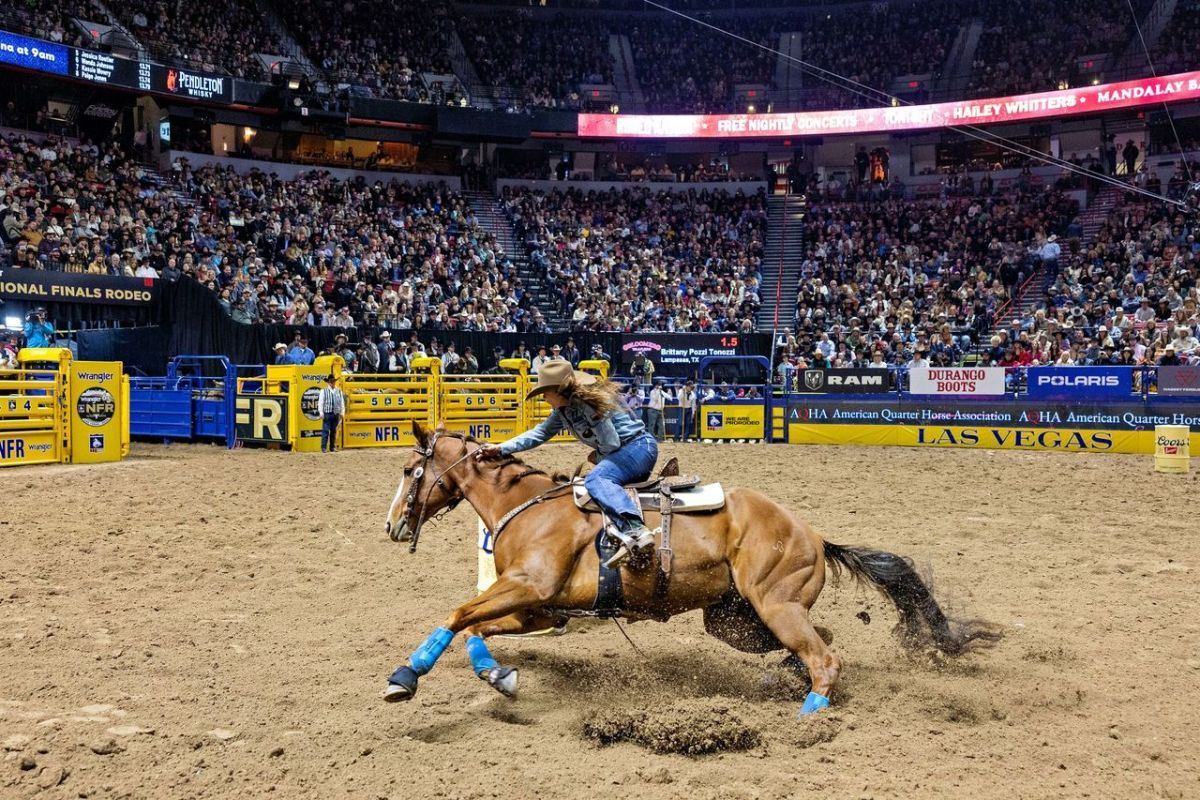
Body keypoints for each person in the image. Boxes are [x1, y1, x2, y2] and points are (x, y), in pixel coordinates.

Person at [476, 361, 658, 567]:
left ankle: (636, 529)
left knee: (597, 479)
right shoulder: (563, 411)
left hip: (637, 448)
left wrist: (599, 457)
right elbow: (539, 433)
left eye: (545, 393)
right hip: (630, 450)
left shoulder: (586, 406)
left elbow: (611, 442)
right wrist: (501, 448)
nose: (544, 398)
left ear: (557, 390)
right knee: (591, 485)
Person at [317, 374, 345, 453]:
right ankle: (324, 447)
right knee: (325, 431)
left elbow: (341, 403)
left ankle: (332, 447)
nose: (332, 383)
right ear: (328, 383)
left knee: (333, 431)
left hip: (335, 413)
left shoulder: (338, 391)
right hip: (327, 413)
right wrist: (321, 413)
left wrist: (342, 412)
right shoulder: (323, 391)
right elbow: (321, 403)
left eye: (333, 382)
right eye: (331, 382)